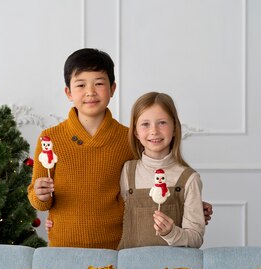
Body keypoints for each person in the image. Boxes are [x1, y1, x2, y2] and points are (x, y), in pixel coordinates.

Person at [27, 48, 212, 249]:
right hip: (63, 247)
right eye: (81, 85)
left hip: (118, 248)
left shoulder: (129, 138)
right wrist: (40, 195)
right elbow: (39, 201)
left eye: (99, 83)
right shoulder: (50, 139)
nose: (90, 92)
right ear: (68, 93)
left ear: (113, 88)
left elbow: (150, 178)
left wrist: (187, 206)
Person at [118, 92, 204, 248]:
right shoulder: (127, 171)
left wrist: (171, 233)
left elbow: (195, 238)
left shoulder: (188, 179)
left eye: (162, 123)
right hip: (130, 268)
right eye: (145, 124)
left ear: (175, 128)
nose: (154, 131)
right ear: (136, 132)